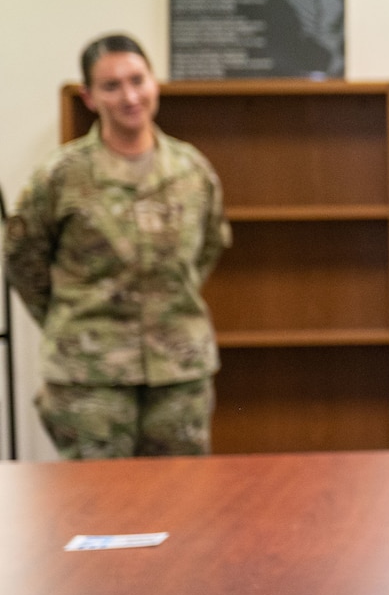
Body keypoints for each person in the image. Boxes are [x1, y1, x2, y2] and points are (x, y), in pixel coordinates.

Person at [3, 34, 229, 459]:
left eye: (137, 80)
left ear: (154, 83)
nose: (129, 96)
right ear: (89, 97)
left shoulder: (191, 171)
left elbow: (208, 247)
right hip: (89, 377)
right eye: (111, 86)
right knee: (98, 511)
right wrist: (67, 319)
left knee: (183, 505)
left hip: (178, 371)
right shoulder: (61, 176)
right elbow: (21, 257)